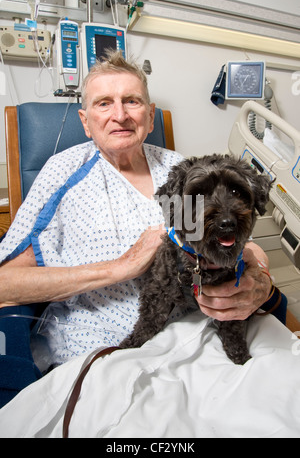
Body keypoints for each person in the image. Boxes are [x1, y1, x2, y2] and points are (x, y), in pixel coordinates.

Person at [0, 51, 274, 406]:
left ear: (149, 114)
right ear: (85, 121)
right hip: (108, 343)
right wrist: (122, 266)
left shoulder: (179, 171)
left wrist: (261, 277)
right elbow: (5, 284)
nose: (120, 115)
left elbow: (228, 241)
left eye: (132, 101)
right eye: (104, 103)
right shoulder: (63, 172)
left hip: (201, 329)